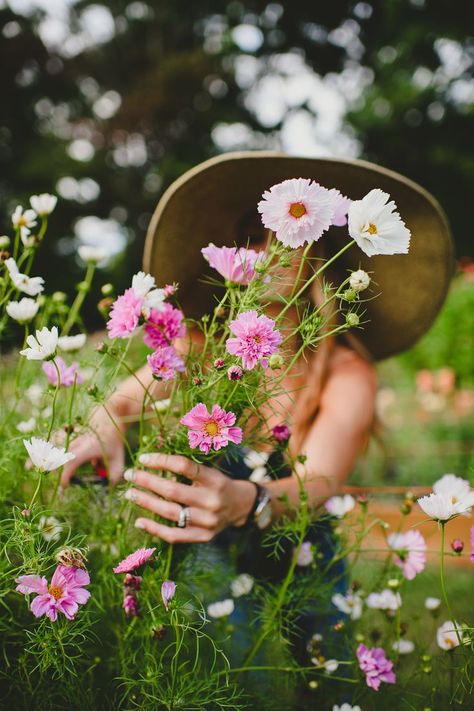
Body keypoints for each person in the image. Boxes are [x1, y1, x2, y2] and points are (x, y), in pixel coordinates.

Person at [60, 152, 453, 701]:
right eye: (252, 236)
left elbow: (319, 483)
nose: (264, 252)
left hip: (301, 546)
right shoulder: (203, 346)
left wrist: (251, 501)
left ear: (317, 254)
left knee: (332, 681)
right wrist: (102, 426)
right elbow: (124, 399)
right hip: (207, 538)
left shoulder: (345, 369)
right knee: (231, 671)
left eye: (285, 237)